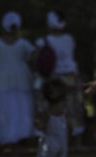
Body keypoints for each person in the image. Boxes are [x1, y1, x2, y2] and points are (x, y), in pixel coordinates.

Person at [0, 11, 37, 150]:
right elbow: (31, 60)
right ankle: (12, 140)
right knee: (18, 110)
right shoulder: (24, 44)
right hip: (17, 79)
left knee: (2, 110)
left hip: (1, 79)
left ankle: (7, 140)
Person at [36, 10, 86, 148]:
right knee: (74, 109)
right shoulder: (69, 39)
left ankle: (46, 141)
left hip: (53, 80)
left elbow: (36, 61)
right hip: (71, 78)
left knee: (48, 109)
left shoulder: (42, 41)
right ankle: (77, 142)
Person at [35, 78, 69, 157]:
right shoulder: (59, 111)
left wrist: (37, 124)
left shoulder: (50, 112)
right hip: (56, 140)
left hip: (55, 140)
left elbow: (42, 126)